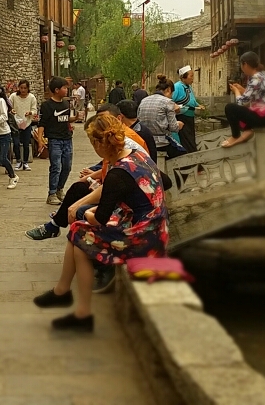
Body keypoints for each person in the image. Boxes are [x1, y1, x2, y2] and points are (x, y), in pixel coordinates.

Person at [32, 113, 168, 332]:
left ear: (98, 143)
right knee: (78, 235)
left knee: (79, 231)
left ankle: (73, 303)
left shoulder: (116, 173)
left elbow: (99, 218)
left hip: (143, 236)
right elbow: (159, 183)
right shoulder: (137, 156)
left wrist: (86, 212)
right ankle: (68, 298)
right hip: (156, 225)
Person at [223, 52, 265, 148]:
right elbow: (257, 95)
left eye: (241, 65)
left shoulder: (255, 79)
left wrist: (236, 91)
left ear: (245, 64)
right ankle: (248, 130)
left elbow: (241, 103)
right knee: (247, 112)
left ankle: (235, 136)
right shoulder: (263, 75)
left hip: (264, 117)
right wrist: (242, 90)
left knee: (230, 108)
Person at [39, 76, 74, 205]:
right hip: (54, 140)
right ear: (57, 90)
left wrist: (75, 118)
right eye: (64, 88)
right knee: (56, 167)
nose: (66, 90)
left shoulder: (66, 104)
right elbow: (42, 123)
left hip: (67, 139)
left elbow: (66, 119)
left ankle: (60, 189)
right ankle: (52, 193)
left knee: (67, 166)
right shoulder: (47, 105)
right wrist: (40, 139)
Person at [137, 76, 185, 159]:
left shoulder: (144, 100)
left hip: (145, 141)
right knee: (184, 155)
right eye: (172, 94)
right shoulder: (168, 102)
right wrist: (178, 124)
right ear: (168, 90)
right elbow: (174, 128)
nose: (171, 97)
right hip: (161, 143)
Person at [9, 79, 38, 171]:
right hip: (15, 124)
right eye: (21, 88)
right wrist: (11, 110)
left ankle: (25, 162)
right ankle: (18, 161)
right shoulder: (13, 96)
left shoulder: (31, 97)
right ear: (18, 88)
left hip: (26, 123)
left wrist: (30, 113)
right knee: (16, 143)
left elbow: (34, 110)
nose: (23, 90)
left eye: (25, 88)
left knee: (26, 144)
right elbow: (8, 106)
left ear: (28, 88)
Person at [172, 66, 199, 153]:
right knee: (186, 140)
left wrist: (198, 105)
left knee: (191, 138)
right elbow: (170, 100)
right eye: (191, 76)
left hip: (190, 117)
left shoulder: (189, 87)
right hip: (182, 116)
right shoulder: (177, 86)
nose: (193, 78)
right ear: (184, 77)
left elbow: (192, 100)